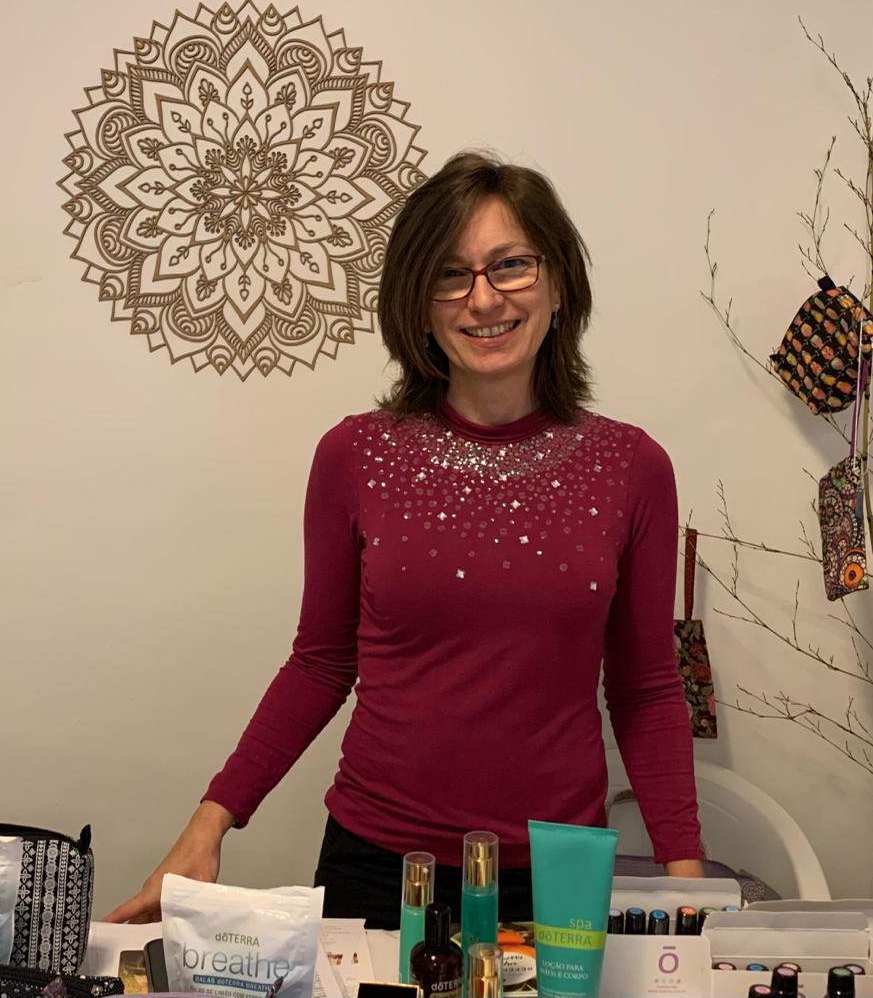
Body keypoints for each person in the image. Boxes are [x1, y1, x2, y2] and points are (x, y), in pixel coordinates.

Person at [106, 151, 704, 929]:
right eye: (450, 274)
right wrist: (208, 825)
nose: (482, 298)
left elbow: (645, 690)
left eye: (510, 265)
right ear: (416, 304)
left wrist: (685, 880)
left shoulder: (632, 467)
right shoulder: (355, 454)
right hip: (377, 867)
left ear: (557, 282)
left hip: (553, 874)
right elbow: (320, 662)